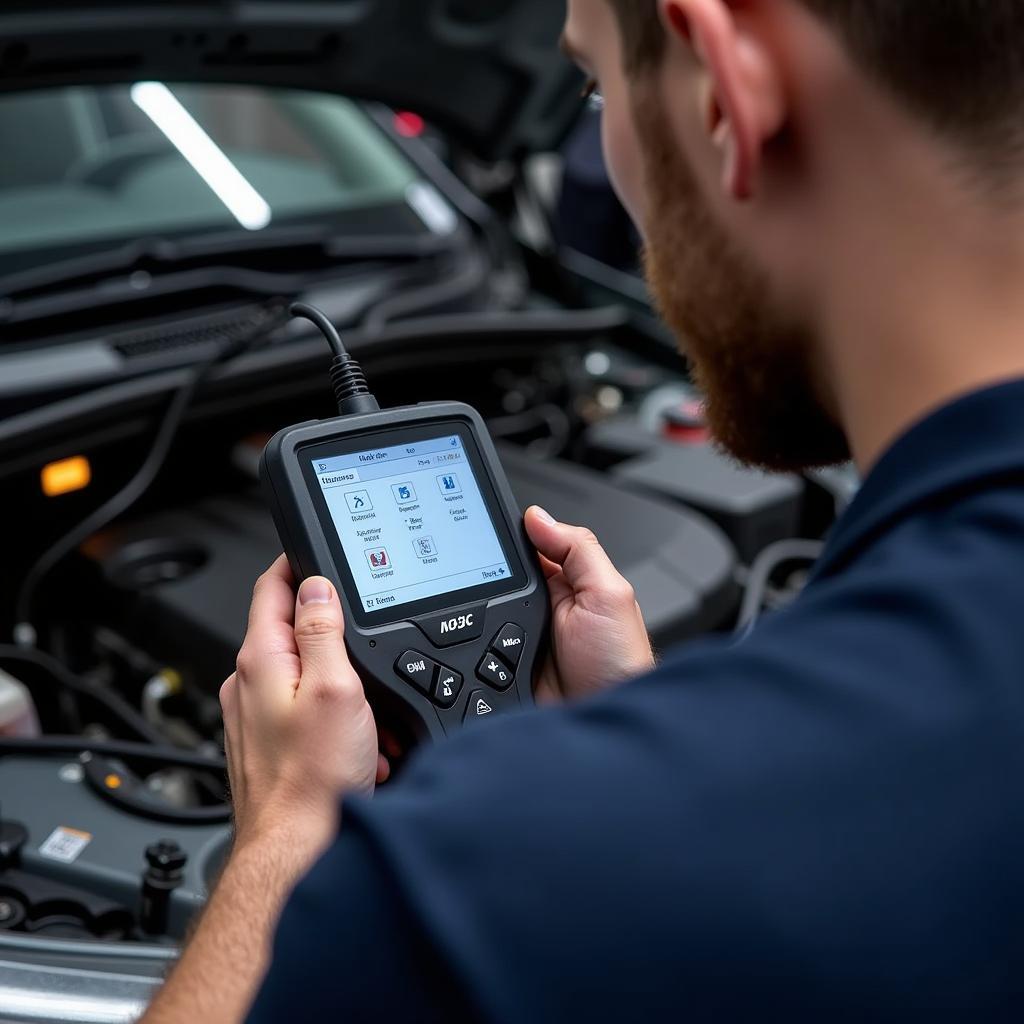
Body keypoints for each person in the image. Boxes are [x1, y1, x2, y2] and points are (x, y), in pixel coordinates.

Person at [144, 0, 1024, 1020]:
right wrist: (632, 739)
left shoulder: (508, 881)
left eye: (597, 86)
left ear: (726, 88)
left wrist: (289, 839)